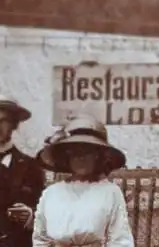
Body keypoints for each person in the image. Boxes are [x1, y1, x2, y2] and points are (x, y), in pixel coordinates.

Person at [32, 115, 134, 246]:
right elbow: (40, 239)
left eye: (87, 152)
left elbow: (120, 239)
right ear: (67, 157)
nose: (81, 158)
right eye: (75, 153)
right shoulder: (51, 193)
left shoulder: (110, 192)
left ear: (98, 156)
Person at [0, 95, 45, 247]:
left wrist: (30, 215)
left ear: (14, 124)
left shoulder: (31, 166)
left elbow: (44, 209)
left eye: (3, 121)